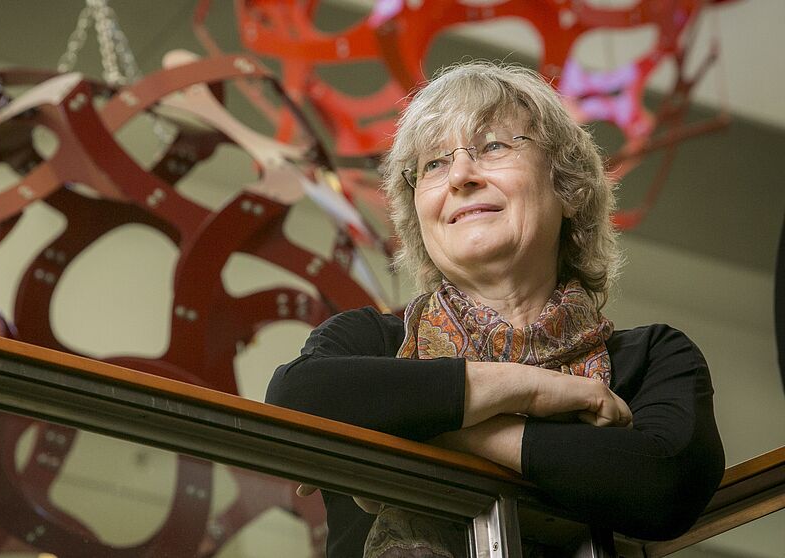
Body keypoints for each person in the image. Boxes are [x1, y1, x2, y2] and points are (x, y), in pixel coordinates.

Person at [265, 61, 725, 557]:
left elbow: (665, 486)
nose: (460, 176)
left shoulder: (652, 358)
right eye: (434, 164)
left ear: (568, 188)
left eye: (493, 147)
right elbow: (293, 400)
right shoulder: (370, 342)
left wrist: (448, 435)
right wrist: (531, 388)